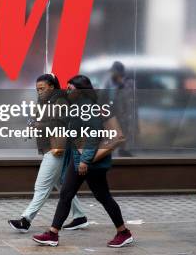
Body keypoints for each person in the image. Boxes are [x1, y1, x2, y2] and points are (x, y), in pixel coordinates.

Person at [33, 75, 133, 248]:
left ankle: (123, 232)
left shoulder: (94, 108)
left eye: (70, 88)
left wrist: (87, 160)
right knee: (67, 194)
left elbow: (103, 136)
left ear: (80, 90)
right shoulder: (79, 107)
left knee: (103, 196)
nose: (67, 91)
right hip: (80, 157)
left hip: (91, 160)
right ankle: (53, 233)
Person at [8, 74, 88, 232]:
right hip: (48, 147)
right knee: (62, 186)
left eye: (42, 88)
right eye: (37, 89)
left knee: (42, 186)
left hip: (57, 148)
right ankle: (79, 216)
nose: (39, 92)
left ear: (52, 87)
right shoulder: (44, 101)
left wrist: (39, 125)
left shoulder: (60, 101)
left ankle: (26, 219)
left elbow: (61, 123)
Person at [104, 61, 137, 157]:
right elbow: (105, 96)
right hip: (112, 112)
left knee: (124, 132)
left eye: (114, 72)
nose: (112, 74)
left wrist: (121, 84)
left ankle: (123, 150)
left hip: (125, 114)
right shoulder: (109, 82)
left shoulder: (129, 83)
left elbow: (130, 99)